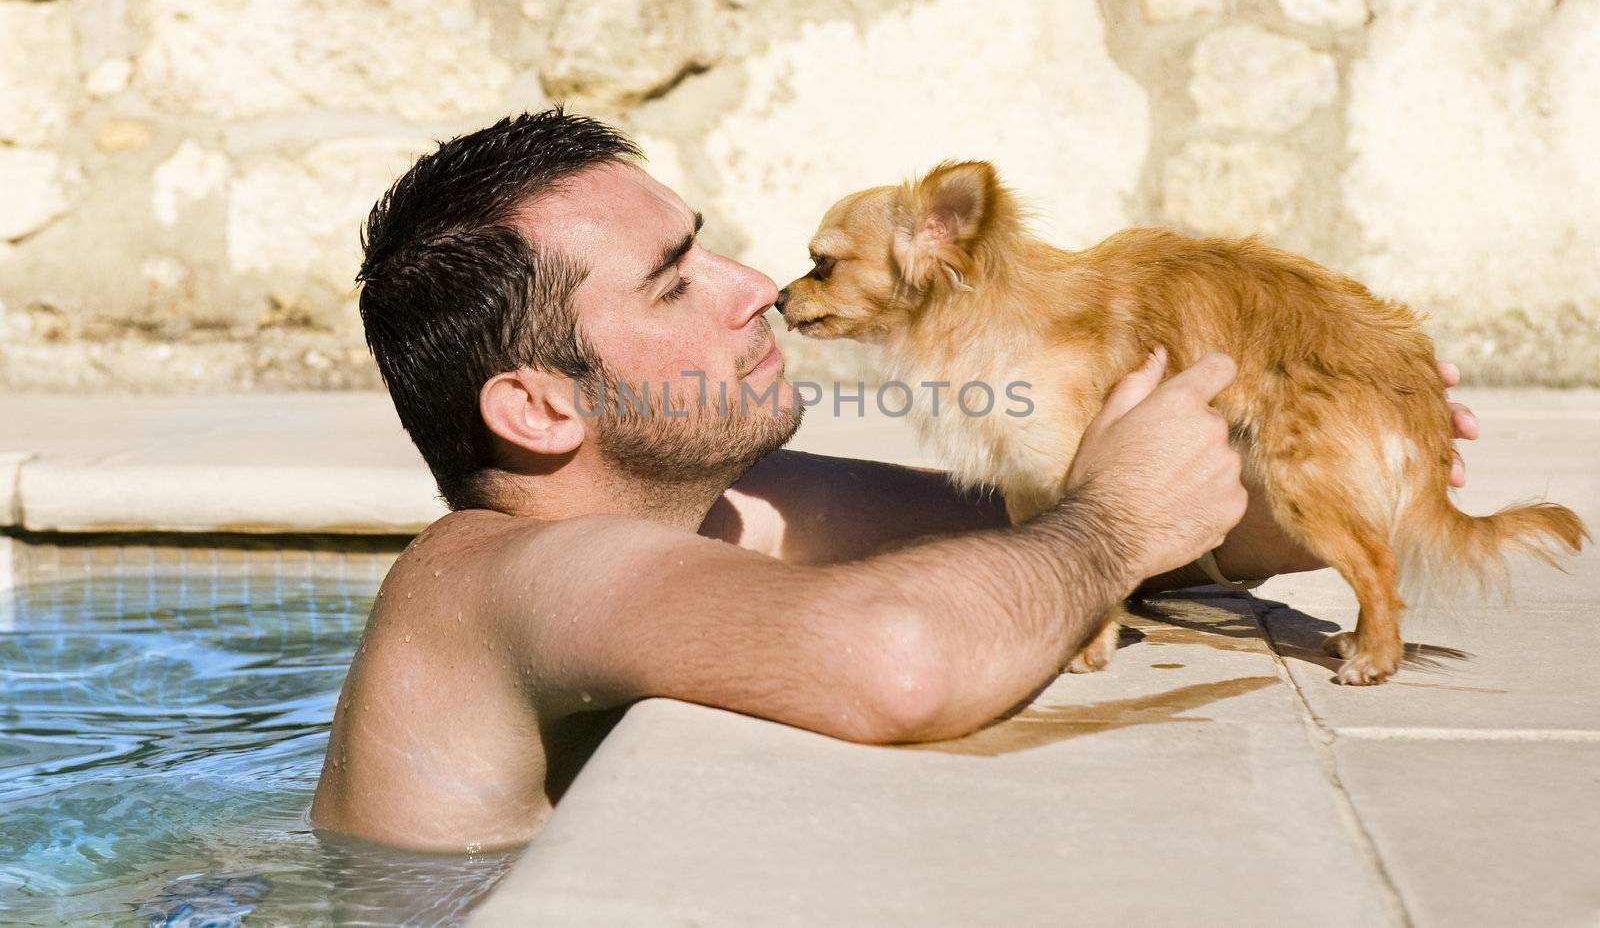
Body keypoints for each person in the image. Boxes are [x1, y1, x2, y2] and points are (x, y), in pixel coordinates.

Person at [309, 109, 1479, 853]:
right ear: (537, 406)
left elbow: (1084, 543)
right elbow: (905, 659)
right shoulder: (515, 571)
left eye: (708, 245)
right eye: (675, 287)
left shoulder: (738, 508)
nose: (754, 282)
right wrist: (1115, 520)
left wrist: (1309, 459)